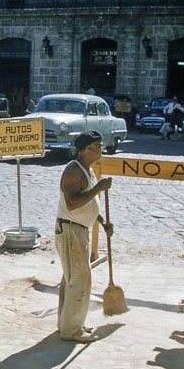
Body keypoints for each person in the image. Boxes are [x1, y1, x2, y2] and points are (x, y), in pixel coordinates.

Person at [55, 131, 113, 343]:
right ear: (87, 149)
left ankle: (67, 323)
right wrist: (98, 188)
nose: (101, 149)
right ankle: (71, 330)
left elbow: (87, 202)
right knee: (79, 279)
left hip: (78, 229)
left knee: (72, 278)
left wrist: (102, 222)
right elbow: (72, 203)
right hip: (71, 230)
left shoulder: (87, 170)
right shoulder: (73, 170)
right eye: (98, 146)